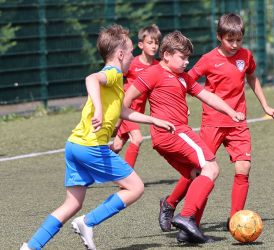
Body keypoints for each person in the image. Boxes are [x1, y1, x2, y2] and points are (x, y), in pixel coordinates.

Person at [20, 24, 174, 250]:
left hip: (74, 145)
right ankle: (87, 222)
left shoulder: (117, 79)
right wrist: (99, 111)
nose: (132, 56)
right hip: (91, 146)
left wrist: (154, 120)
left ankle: (31, 247)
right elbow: (91, 79)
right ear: (121, 54)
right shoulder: (112, 73)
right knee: (135, 188)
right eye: (130, 51)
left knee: (72, 204)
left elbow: (123, 111)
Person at [157, 13, 274, 233]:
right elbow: (187, 81)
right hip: (213, 123)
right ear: (219, 37)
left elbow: (252, 77)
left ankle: (236, 220)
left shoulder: (246, 56)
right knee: (198, 170)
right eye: (229, 40)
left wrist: (265, 105)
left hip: (238, 121)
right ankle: (172, 204)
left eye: (238, 40)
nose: (235, 45)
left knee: (244, 167)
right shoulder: (208, 59)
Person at [123, 30, 245, 243]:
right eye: (183, 57)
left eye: (189, 58)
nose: (187, 62)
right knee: (212, 167)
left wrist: (229, 111)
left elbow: (206, 95)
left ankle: (183, 226)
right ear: (167, 54)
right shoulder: (153, 73)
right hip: (174, 133)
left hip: (164, 139)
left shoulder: (182, 77)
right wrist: (150, 120)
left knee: (197, 175)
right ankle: (187, 216)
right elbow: (124, 103)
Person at [110, 24, 161, 168]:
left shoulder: (157, 67)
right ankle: (127, 178)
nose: (154, 46)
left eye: (156, 43)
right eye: (150, 43)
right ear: (140, 44)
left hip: (138, 111)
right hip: (127, 108)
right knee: (137, 139)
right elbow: (116, 76)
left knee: (117, 146)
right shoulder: (132, 63)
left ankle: (91, 167)